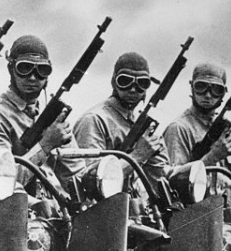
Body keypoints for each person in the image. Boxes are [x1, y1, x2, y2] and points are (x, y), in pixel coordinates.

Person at [0, 34, 74, 194]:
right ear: (11, 69)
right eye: (24, 68)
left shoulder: (50, 118)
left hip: (52, 208)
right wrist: (46, 145)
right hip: (14, 212)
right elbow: (1, 182)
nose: (32, 77)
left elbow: (75, 174)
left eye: (41, 70)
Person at [71, 52, 167, 187]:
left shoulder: (137, 124)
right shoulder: (94, 120)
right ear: (114, 82)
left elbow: (160, 179)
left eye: (142, 83)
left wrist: (154, 152)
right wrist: (138, 156)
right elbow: (90, 183)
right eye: (125, 81)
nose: (133, 89)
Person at [163, 62, 231, 167]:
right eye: (201, 87)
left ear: (224, 92)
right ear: (192, 87)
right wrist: (213, 157)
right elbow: (174, 179)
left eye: (216, 89)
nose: (208, 95)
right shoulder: (179, 129)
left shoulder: (225, 130)